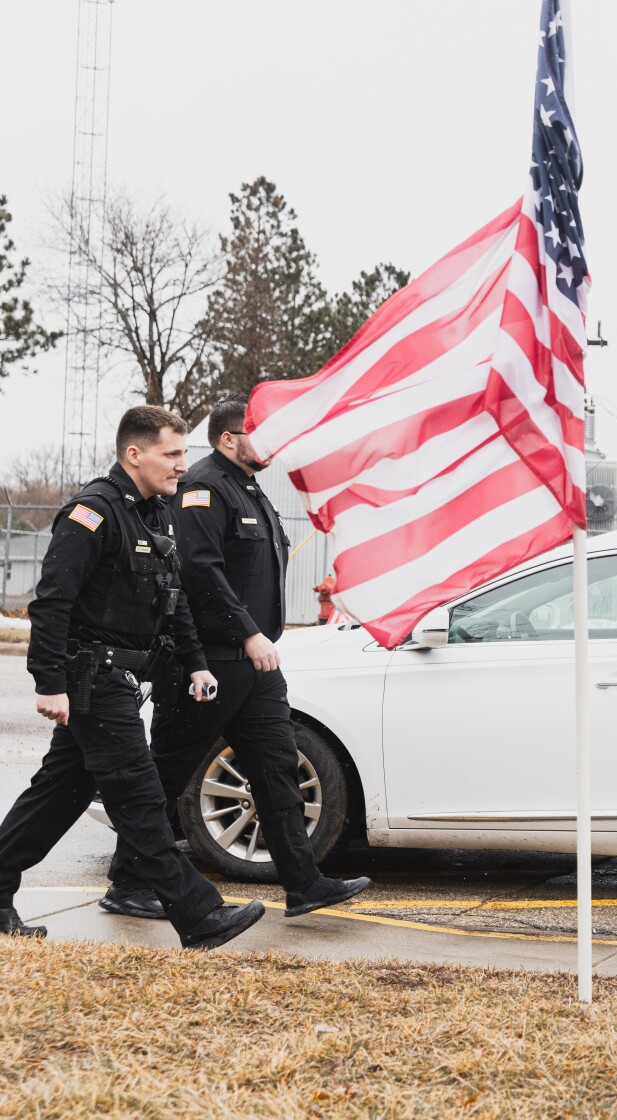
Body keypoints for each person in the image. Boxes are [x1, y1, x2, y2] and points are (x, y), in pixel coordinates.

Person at [0, 406, 265, 948]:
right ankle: (199, 915)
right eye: (171, 454)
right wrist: (48, 682)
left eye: (184, 453)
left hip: (119, 679)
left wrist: (195, 663)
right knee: (140, 797)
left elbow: (175, 599)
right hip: (91, 679)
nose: (183, 466)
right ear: (134, 454)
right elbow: (51, 603)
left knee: (62, 791)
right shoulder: (93, 512)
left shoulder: (155, 512)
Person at [100, 398, 370, 922]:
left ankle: (303, 883)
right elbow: (200, 571)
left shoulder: (250, 490)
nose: (270, 447)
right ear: (229, 439)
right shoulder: (202, 487)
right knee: (169, 774)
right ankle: (127, 882)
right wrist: (248, 633)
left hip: (256, 665)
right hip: (209, 660)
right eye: (260, 436)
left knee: (276, 769)